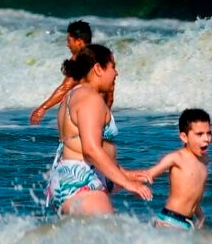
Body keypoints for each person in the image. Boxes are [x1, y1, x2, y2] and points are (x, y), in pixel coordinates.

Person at [45, 44, 152, 215]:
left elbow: (78, 146)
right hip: (83, 184)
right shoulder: (90, 99)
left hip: (69, 180)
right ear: (98, 69)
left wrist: (125, 174)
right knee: (109, 241)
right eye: (113, 67)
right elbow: (91, 150)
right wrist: (126, 183)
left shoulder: (71, 96)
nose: (116, 73)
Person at [30, 20, 114, 124]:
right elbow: (110, 93)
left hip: (89, 117)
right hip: (105, 116)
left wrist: (42, 108)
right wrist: (107, 115)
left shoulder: (79, 59)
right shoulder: (105, 54)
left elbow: (65, 87)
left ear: (78, 41)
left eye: (69, 41)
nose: (67, 44)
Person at [145, 108, 212, 229]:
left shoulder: (204, 161)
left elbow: (192, 195)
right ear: (184, 137)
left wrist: (201, 216)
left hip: (188, 223)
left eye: (209, 133)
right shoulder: (176, 158)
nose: (206, 139)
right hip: (170, 221)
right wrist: (135, 185)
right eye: (199, 134)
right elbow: (150, 174)